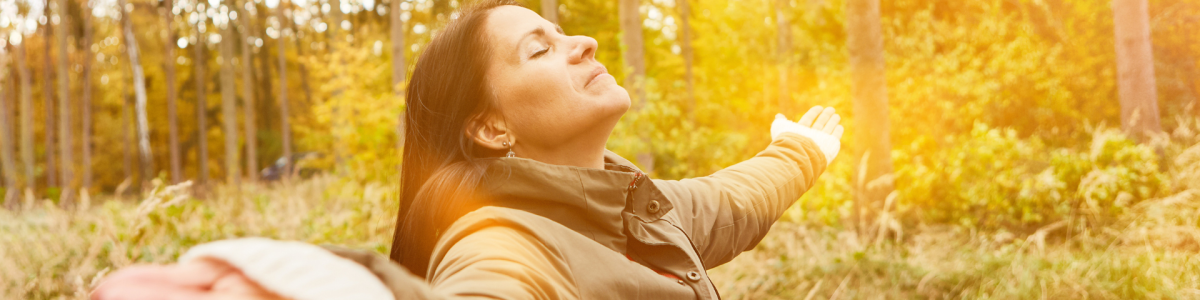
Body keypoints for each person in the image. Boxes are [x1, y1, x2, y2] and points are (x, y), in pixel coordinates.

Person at [90, 1, 844, 299]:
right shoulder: (502, 244)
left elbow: (736, 199)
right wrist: (340, 288)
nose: (582, 41)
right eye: (540, 48)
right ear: (491, 128)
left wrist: (798, 150)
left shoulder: (642, 206)